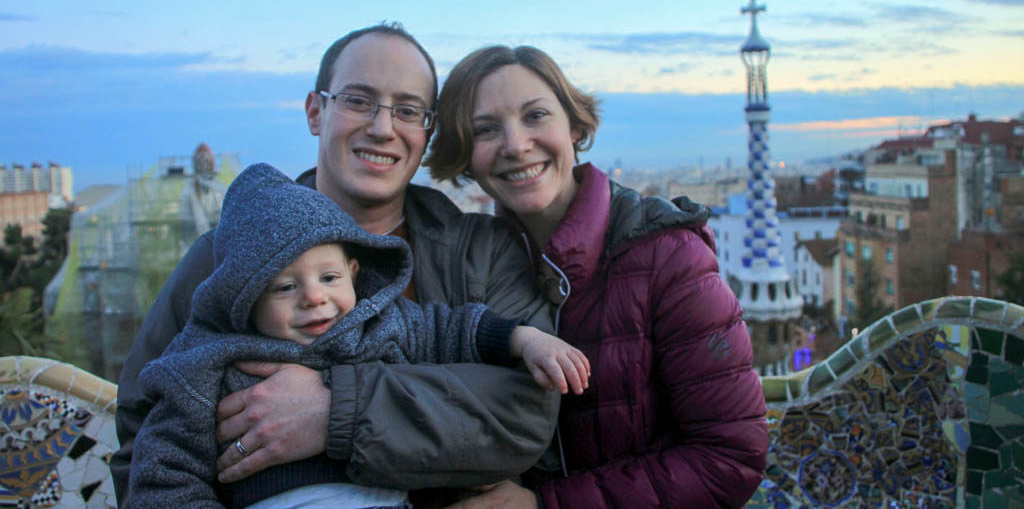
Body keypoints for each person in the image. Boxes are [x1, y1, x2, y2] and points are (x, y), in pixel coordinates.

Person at [114, 25, 561, 505]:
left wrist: (335, 412)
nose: (382, 127)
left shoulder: (480, 252)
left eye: (408, 111)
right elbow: (145, 440)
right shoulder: (226, 257)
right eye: (358, 100)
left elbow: (525, 412)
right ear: (315, 111)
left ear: (426, 132)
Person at [425, 45, 769, 508]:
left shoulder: (669, 257)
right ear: (465, 156)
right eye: (486, 129)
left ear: (576, 127)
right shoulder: (468, 266)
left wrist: (544, 505)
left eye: (536, 116)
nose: (515, 144)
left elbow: (729, 460)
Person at [128, 163, 587, 508]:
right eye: (285, 287)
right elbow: (164, 471)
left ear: (352, 272)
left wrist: (525, 339)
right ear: (244, 300)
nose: (314, 298)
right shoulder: (208, 363)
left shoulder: (377, 324)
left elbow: (455, 328)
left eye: (328, 278)